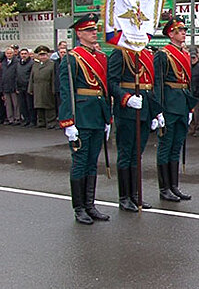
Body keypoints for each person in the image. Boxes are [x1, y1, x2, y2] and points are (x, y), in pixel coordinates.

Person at [58, 14, 111, 225]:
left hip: (97, 114)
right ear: (79, 34)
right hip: (80, 115)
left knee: (92, 163)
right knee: (80, 163)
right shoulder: (72, 58)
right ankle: (79, 208)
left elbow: (104, 90)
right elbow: (65, 91)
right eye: (89, 30)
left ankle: (90, 205)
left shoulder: (100, 57)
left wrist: (107, 117)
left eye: (95, 29)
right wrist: (68, 121)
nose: (94, 32)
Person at [108, 44, 161, 211]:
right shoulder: (120, 53)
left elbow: (150, 86)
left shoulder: (145, 54)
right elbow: (111, 81)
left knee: (137, 155)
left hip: (145, 109)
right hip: (128, 109)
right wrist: (126, 97)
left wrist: (155, 112)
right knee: (126, 154)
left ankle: (136, 195)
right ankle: (125, 197)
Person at [153, 16, 199, 202]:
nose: (183, 34)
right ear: (171, 33)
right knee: (165, 146)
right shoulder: (163, 54)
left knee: (176, 147)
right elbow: (158, 84)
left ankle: (174, 186)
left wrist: (189, 108)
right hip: (169, 105)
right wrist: (159, 110)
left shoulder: (184, 54)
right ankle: (164, 188)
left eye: (184, 31)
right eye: (180, 31)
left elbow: (187, 83)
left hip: (181, 104)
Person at [28, 46, 57, 129]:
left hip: (47, 87)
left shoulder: (52, 64)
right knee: (38, 105)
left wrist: (53, 89)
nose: (42, 57)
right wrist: (30, 88)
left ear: (47, 55)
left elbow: (53, 78)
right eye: (41, 55)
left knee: (49, 105)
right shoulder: (35, 65)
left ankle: (50, 122)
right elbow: (32, 77)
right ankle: (41, 121)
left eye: (44, 55)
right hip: (37, 87)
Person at [16, 48, 35, 127]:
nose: (23, 55)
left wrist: (31, 88)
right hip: (20, 87)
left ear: (28, 54)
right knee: (23, 105)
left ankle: (32, 120)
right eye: (22, 54)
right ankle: (26, 120)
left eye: (25, 54)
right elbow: (16, 75)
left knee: (30, 105)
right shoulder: (18, 63)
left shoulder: (32, 63)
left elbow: (32, 76)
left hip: (28, 87)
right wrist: (17, 87)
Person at [1, 46, 20, 125]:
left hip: (13, 86)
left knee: (16, 104)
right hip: (5, 86)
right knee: (8, 105)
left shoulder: (17, 62)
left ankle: (17, 118)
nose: (9, 55)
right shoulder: (4, 63)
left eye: (10, 53)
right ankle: (10, 119)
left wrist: (16, 87)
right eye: (7, 53)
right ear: (5, 54)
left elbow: (17, 75)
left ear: (13, 54)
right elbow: (2, 76)